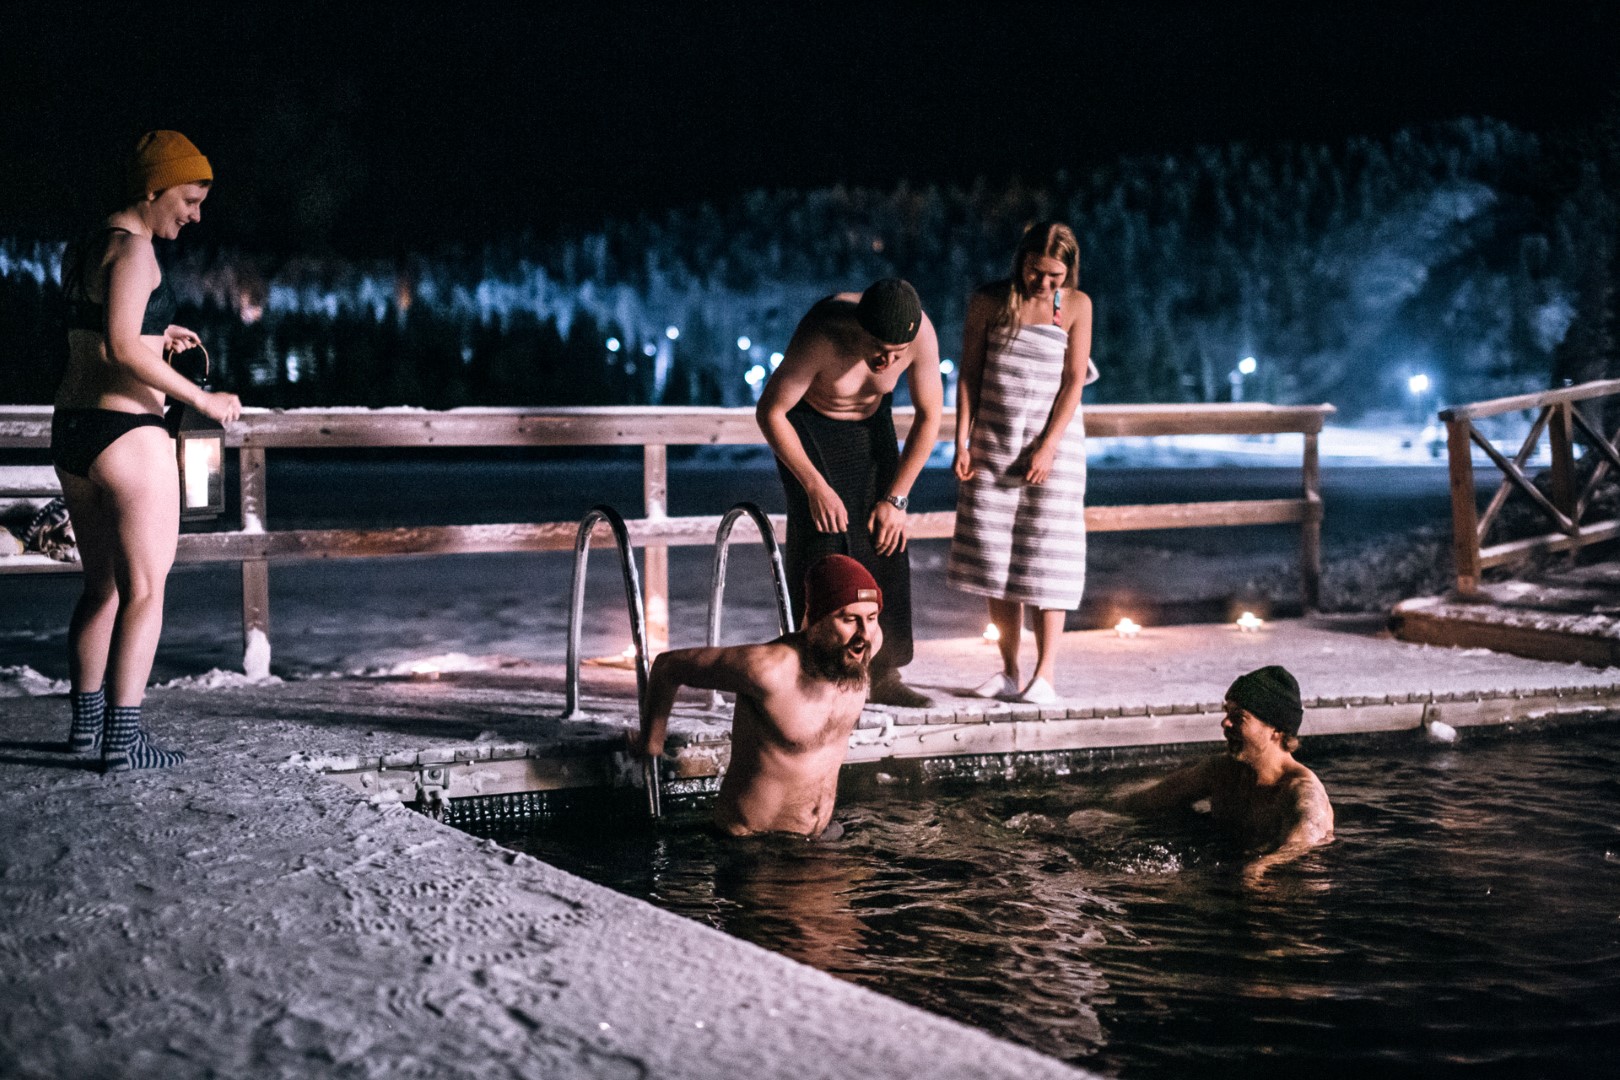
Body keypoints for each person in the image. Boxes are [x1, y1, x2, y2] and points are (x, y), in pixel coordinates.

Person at [53, 131, 241, 771]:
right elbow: (122, 351)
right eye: (188, 199)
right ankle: (124, 741)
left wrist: (156, 333)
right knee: (145, 591)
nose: (194, 214)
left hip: (74, 432)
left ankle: (87, 730)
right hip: (128, 435)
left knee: (99, 588)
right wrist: (205, 399)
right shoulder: (137, 252)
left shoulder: (87, 247)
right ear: (153, 188)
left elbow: (102, 339)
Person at [756, 278, 943, 709]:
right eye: (879, 348)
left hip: (872, 426)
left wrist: (897, 499)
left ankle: (884, 670)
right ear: (860, 328)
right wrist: (813, 484)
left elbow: (929, 417)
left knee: (886, 541)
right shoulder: (823, 332)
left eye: (898, 353)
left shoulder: (922, 335)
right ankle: (816, 672)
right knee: (825, 545)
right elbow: (770, 411)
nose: (888, 360)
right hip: (810, 428)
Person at [948, 222, 1097, 704]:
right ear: (1022, 261)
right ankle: (1009, 670)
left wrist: (1050, 444)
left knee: (1047, 558)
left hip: (1053, 447)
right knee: (996, 557)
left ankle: (1045, 676)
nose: (1045, 284)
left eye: (1056, 275)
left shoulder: (1074, 305)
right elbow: (969, 374)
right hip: (995, 439)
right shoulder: (990, 301)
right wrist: (961, 440)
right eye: (1037, 272)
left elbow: (1074, 380)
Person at [630, 554, 882, 840]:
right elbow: (668, 666)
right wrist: (651, 741)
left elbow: (867, 633)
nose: (864, 633)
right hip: (754, 846)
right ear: (815, 618)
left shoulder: (863, 646)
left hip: (819, 839)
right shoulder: (769, 669)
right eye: (849, 619)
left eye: (871, 618)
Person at [1117, 666, 1334, 867]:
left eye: (1238, 717)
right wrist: (1097, 813)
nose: (1225, 723)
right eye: (1226, 712)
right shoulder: (1221, 771)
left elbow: (1304, 844)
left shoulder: (1301, 791)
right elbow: (1152, 799)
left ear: (1276, 730)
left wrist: (1259, 868)